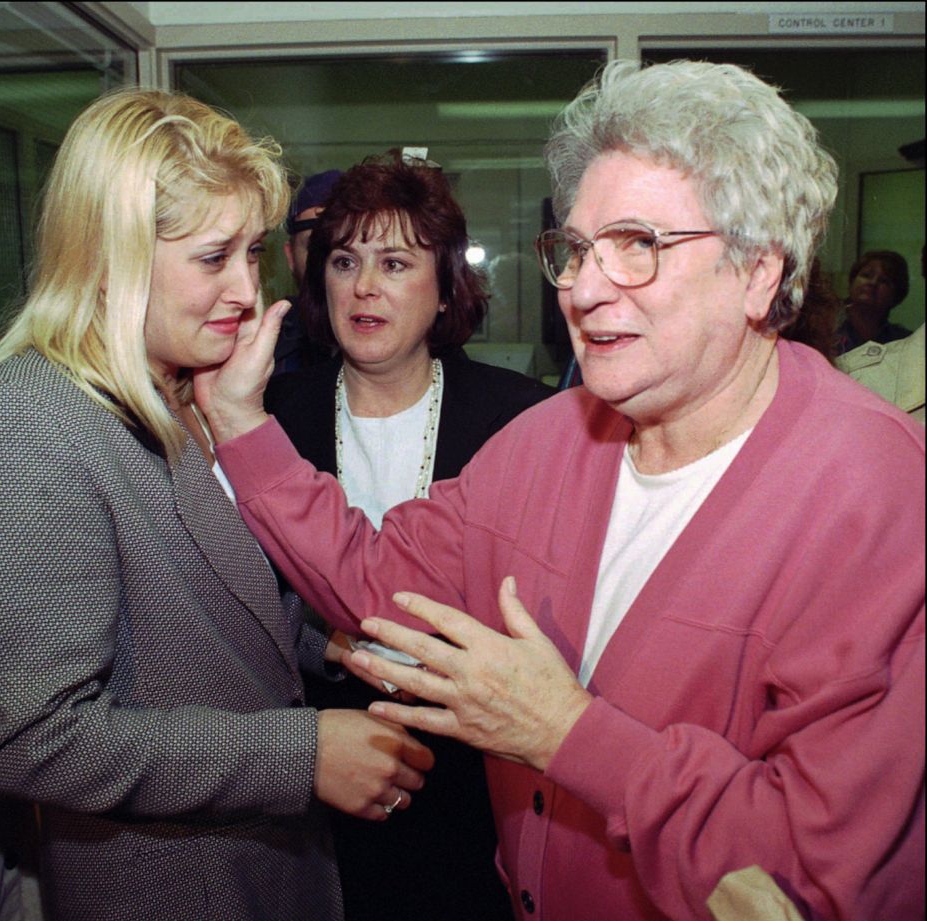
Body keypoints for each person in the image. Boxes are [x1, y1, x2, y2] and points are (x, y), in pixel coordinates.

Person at [197, 60, 925, 921]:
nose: (581, 286)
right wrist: (243, 426)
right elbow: (376, 578)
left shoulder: (875, 491)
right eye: (576, 248)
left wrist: (563, 732)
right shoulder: (549, 441)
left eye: (638, 244)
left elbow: (823, 873)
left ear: (759, 271)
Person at [0, 88, 433, 921]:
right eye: (213, 258)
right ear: (112, 255)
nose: (247, 289)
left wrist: (331, 646)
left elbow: (210, 603)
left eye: (253, 253)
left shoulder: (179, 389)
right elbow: (36, 739)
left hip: (270, 872)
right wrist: (302, 754)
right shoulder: (19, 424)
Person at [265, 150, 552, 921]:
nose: (364, 285)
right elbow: (237, 593)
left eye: (395, 262)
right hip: (312, 766)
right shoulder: (266, 419)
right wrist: (318, 647)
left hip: (475, 771)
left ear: (445, 285)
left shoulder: (519, 418)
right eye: (345, 259)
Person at [273, 168, 343, 375]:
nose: (328, 261)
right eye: (315, 247)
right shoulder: (265, 347)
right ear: (290, 256)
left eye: (344, 252)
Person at [836, 249, 912, 353]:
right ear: (851, 283)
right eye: (866, 275)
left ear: (896, 295)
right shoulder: (824, 329)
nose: (873, 283)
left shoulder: (903, 342)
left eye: (883, 281)